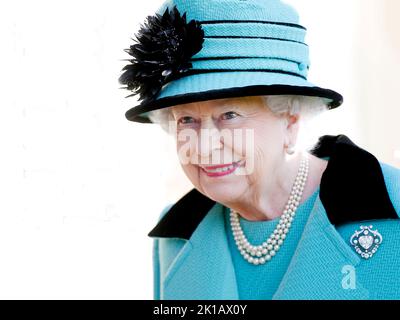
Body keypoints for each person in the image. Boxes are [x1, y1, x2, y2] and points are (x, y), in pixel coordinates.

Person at [119, 0, 400, 300]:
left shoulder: (393, 207)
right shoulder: (175, 239)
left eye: (229, 115)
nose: (204, 146)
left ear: (290, 121)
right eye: (187, 119)